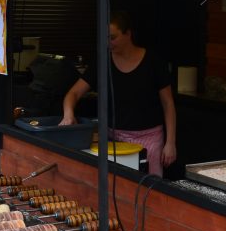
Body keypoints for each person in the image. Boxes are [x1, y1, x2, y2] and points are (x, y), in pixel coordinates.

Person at [60, 11, 176, 176]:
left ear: (128, 33)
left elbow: (168, 103)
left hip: (150, 138)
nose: (108, 43)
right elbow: (74, 93)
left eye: (113, 37)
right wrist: (68, 114)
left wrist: (170, 142)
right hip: (113, 139)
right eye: (105, 38)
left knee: (148, 190)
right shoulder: (102, 62)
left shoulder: (153, 62)